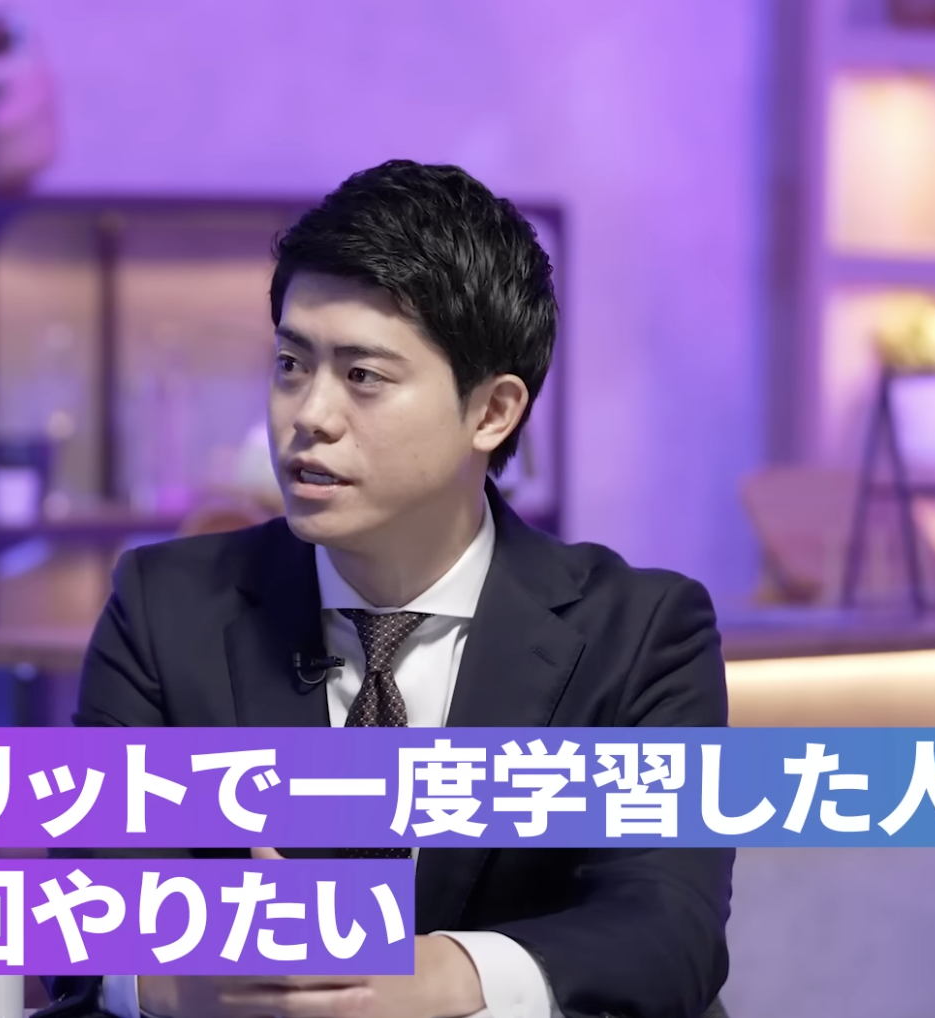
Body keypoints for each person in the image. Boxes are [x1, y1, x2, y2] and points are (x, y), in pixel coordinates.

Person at [41, 160, 731, 1018]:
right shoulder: (165, 606)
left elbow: (667, 931)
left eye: (362, 375)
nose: (309, 414)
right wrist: (190, 981)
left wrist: (439, 972)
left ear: (493, 412)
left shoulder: (640, 633)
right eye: (291, 364)